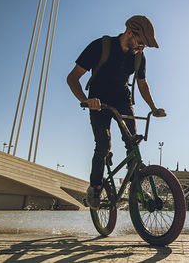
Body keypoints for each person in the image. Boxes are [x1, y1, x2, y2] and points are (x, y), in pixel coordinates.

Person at [67, 15, 166, 209]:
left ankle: (135, 185)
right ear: (129, 32)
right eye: (140, 43)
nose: (141, 48)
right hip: (98, 100)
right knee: (103, 144)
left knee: (133, 141)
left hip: (122, 99)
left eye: (144, 46)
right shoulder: (100, 46)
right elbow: (72, 78)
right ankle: (95, 187)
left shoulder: (138, 56)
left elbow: (142, 83)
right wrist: (85, 101)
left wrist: (153, 108)